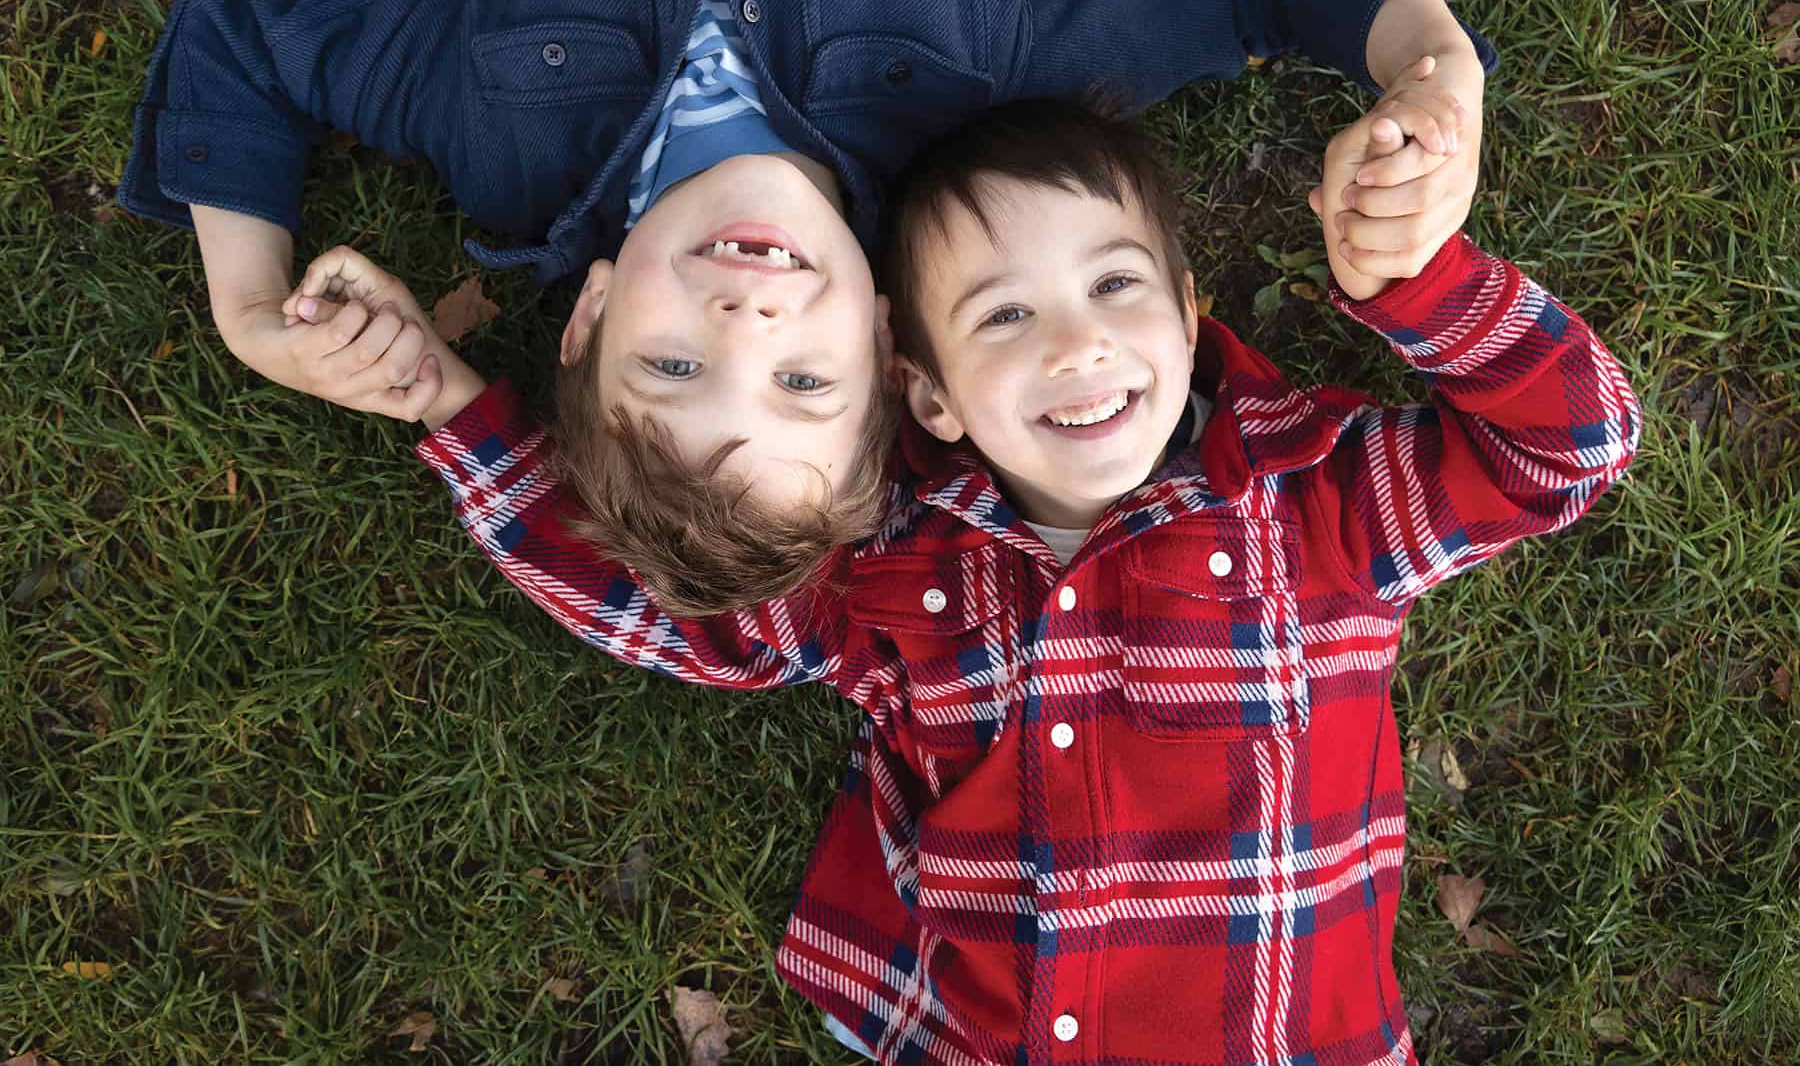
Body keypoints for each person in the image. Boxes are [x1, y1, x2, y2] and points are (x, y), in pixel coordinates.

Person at [301, 77, 1640, 1061]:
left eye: (1117, 290)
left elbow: (1568, 449)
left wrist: (1422, 283)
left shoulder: (1308, 507)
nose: (1075, 344)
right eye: (1005, 316)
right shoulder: (887, 561)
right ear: (924, 394)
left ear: (1187, 317)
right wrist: (452, 408)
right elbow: (689, 615)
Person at [118, 0, 1501, 615]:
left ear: (589, 317)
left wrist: (251, 309)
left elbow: (245, 43)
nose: (747, 320)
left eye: (671, 361)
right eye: (802, 387)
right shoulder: (982, 141)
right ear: (896, 356)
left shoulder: (493, 128)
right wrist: (1434, 73)